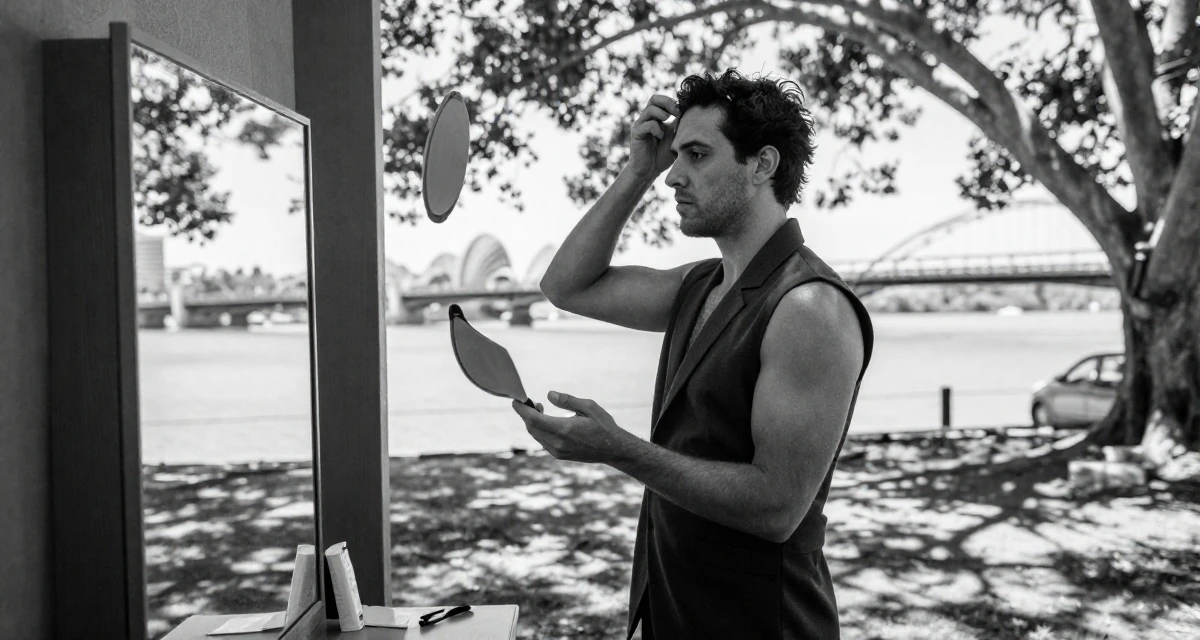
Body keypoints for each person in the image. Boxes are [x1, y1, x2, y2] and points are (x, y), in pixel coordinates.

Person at [510, 69, 874, 639]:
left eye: (697, 155)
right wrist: (637, 171)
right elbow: (565, 287)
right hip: (673, 612)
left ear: (762, 165)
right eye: (674, 156)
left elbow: (776, 507)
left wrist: (619, 450)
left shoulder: (808, 307)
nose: (673, 176)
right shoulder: (701, 284)